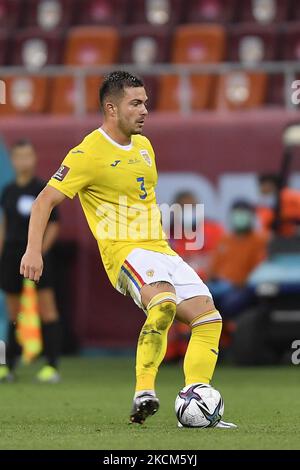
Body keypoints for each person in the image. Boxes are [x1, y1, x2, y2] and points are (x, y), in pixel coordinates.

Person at [20, 71, 236, 428]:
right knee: (163, 304)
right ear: (111, 108)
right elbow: (44, 200)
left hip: (161, 250)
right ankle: (144, 391)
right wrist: (33, 251)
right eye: (135, 103)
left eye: (145, 103)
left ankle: (196, 399)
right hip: (124, 253)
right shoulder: (87, 153)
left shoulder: (144, 146)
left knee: (209, 318)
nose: (144, 110)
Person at [0, 139, 61, 383]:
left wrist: (38, 253)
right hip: (12, 256)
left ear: (34, 159)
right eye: (19, 156)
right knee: (13, 312)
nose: (23, 161)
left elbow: (54, 226)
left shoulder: (43, 189)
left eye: (28, 156)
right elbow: (4, 226)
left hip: (38, 256)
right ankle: (9, 366)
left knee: (47, 309)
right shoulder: (8, 191)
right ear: (13, 160)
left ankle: (51, 367)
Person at [207, 200, 268, 318]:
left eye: (243, 214)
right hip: (219, 286)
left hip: (243, 289)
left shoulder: (260, 241)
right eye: (237, 213)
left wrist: (236, 285)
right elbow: (213, 267)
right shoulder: (225, 240)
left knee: (230, 304)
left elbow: (257, 272)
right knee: (198, 301)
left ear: (252, 216)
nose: (239, 217)